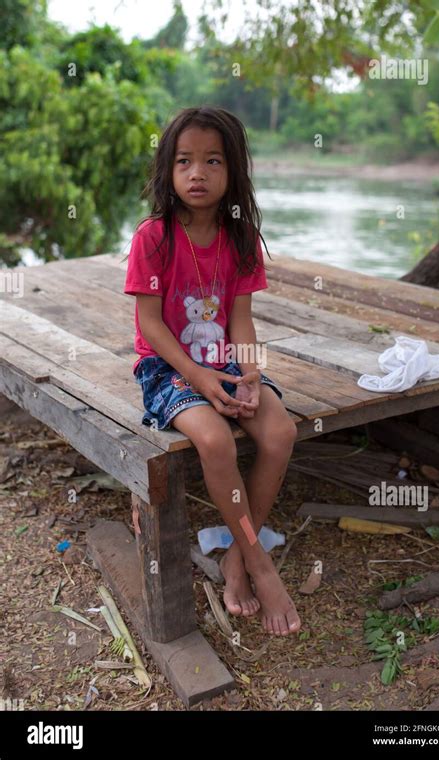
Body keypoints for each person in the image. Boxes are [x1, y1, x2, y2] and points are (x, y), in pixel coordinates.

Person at [124, 106, 301, 636]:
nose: (197, 173)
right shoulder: (154, 238)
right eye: (184, 161)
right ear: (168, 171)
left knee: (280, 431)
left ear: (233, 171)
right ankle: (258, 564)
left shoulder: (240, 239)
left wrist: (249, 375)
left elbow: (241, 322)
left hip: (223, 362)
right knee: (216, 441)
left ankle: (233, 559)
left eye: (212, 160)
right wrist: (199, 380)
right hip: (167, 367)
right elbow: (151, 327)